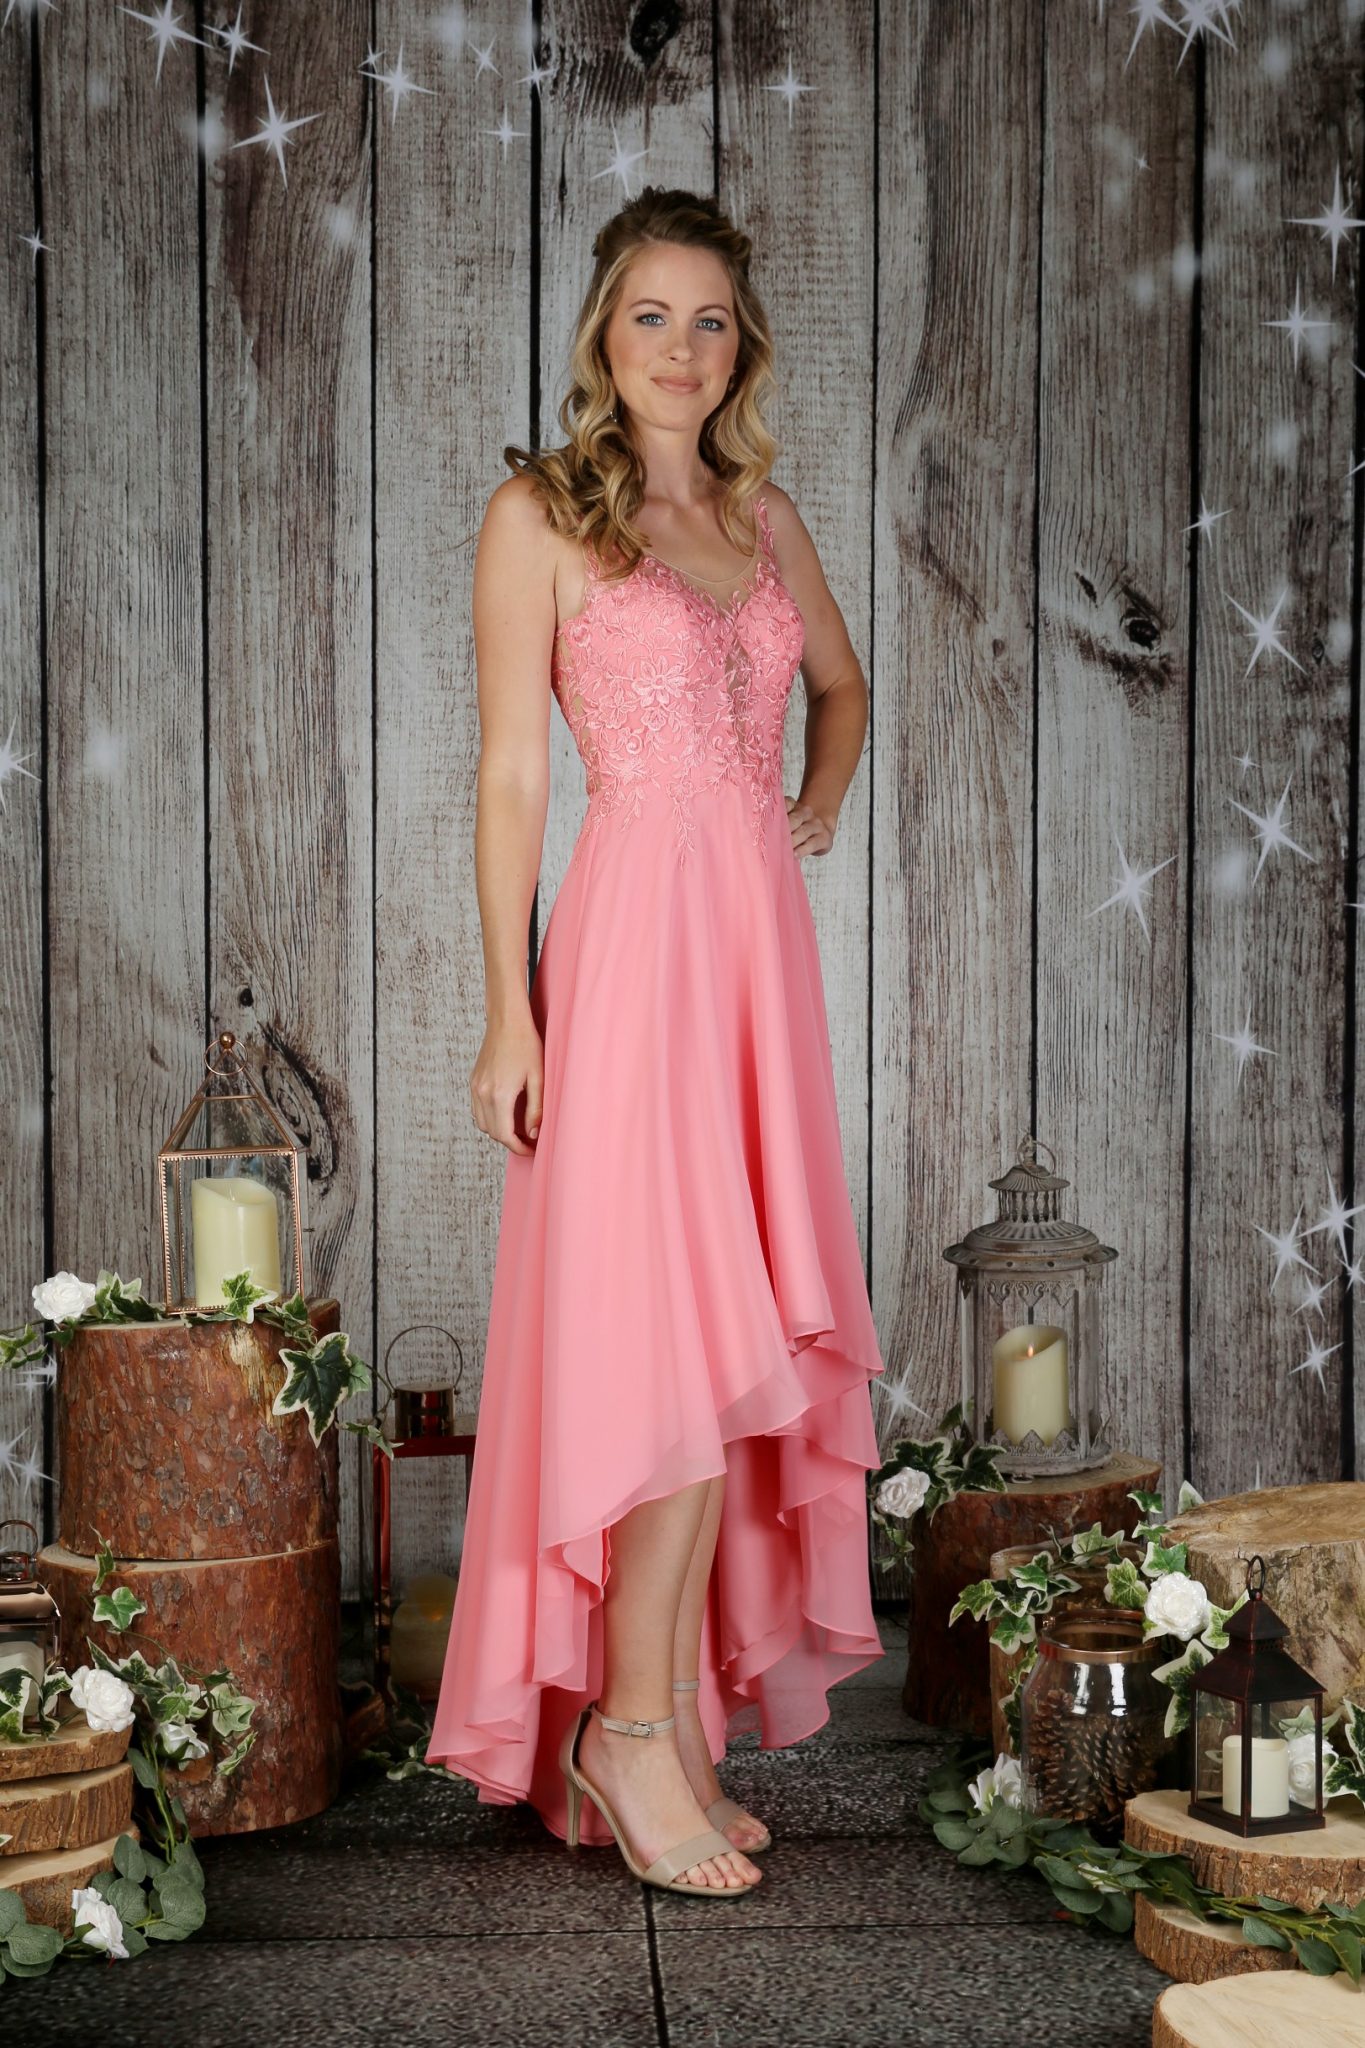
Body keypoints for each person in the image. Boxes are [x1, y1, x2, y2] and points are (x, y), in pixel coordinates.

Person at [426, 187, 886, 1900]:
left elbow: (840, 686)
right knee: (673, 1346)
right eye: (649, 317)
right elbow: (510, 777)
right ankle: (624, 1731)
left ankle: (662, 1718)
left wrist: (810, 800)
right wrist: (507, 1008)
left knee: (736, 1337)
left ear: (738, 347)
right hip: (629, 961)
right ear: (602, 338)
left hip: (755, 964)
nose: (679, 348)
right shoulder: (539, 515)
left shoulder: (763, 521)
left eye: (708, 321)